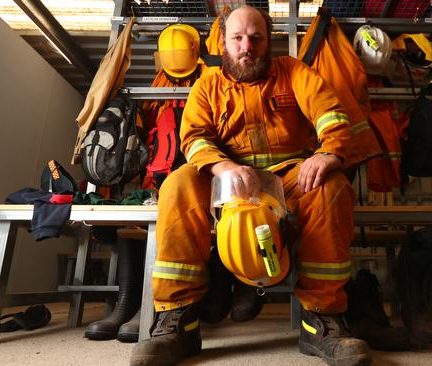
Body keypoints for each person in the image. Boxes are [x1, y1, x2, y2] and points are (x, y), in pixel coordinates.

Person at [130, 6, 372, 366]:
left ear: (268, 41)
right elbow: (193, 138)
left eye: (256, 38)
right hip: (225, 183)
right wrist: (223, 167)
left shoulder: (295, 72)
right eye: (238, 38)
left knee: (330, 187)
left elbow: (331, 114)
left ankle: (322, 322)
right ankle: (178, 321)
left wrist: (328, 155)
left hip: (290, 177)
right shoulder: (207, 85)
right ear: (223, 43)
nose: (248, 46)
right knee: (178, 184)